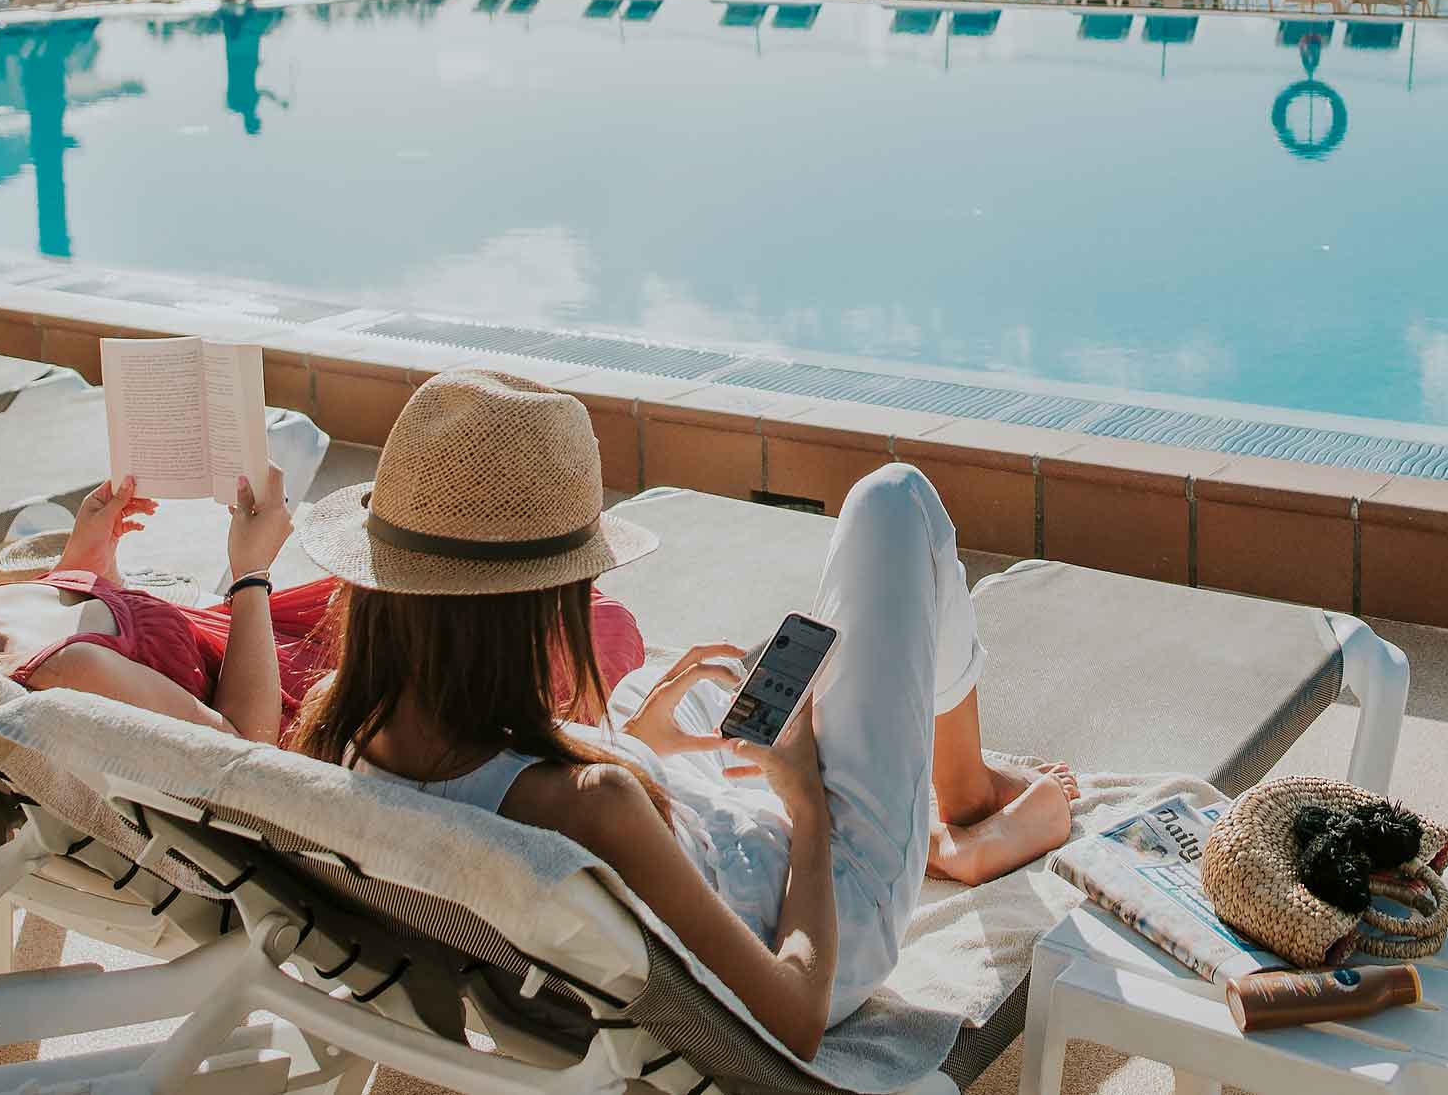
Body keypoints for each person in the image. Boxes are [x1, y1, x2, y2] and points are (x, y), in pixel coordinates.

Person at [288, 370, 1078, 1059]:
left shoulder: (340, 726)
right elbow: (793, 1016)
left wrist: (635, 747)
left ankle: (872, 774)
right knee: (894, 501)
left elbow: (537, 809)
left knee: (724, 673)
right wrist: (806, 803)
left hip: (681, 850)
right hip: (835, 892)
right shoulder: (595, 804)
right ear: (534, 610)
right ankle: (955, 817)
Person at [0, 431, 645, 739]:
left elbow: (69, 618)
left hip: (231, 627)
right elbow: (240, 743)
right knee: (589, 626)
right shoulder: (67, 682)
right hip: (284, 681)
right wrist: (252, 571)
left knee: (503, 598)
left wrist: (87, 557)